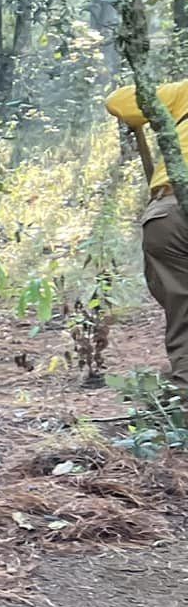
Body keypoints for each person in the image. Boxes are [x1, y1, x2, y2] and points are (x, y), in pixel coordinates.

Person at [104, 81, 188, 390]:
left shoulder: (184, 93)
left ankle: (183, 403)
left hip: (169, 215)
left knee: (184, 312)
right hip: (173, 214)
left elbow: (119, 102)